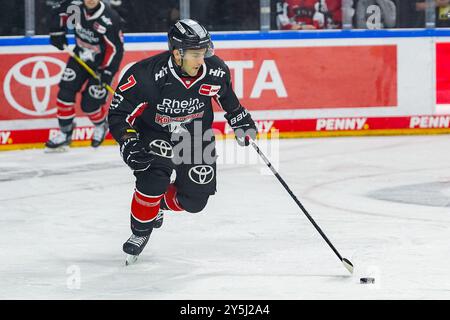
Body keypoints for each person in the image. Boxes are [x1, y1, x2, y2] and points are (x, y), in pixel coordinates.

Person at [108, 19, 257, 263]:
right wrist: (128, 142)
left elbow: (227, 98)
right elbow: (117, 113)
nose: (202, 60)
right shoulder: (145, 75)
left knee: (195, 201)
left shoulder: (215, 70)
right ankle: (141, 230)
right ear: (177, 53)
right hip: (156, 133)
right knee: (153, 178)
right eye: (196, 54)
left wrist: (241, 120)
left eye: (204, 52)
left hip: (196, 134)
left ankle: (156, 205)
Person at [46, 0, 124, 150]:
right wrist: (57, 32)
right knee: (65, 94)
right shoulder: (74, 6)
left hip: (101, 67)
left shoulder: (109, 18)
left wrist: (106, 72)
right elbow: (59, 12)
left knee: (90, 104)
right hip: (79, 57)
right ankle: (65, 133)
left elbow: (116, 49)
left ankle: (101, 125)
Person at [276, 0, 342, 30]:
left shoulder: (319, 1)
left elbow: (320, 20)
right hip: (291, 37)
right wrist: (292, 27)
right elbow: (282, 19)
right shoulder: (285, 1)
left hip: (314, 37)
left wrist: (314, 26)